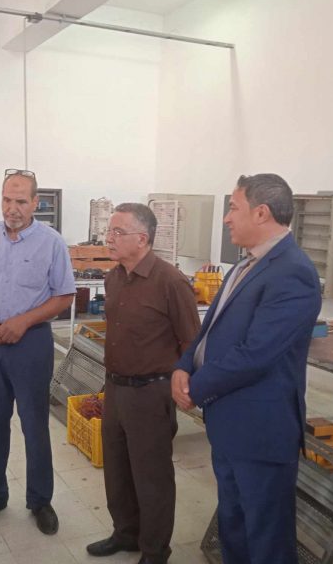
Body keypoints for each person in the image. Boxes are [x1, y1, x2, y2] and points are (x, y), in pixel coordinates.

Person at [172, 174, 322, 564]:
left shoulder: (293, 272)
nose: (226, 218)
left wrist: (194, 388)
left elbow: (256, 354)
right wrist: (184, 366)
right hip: (229, 424)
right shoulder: (246, 265)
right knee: (234, 526)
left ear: (261, 212)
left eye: (233, 208)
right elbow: (211, 327)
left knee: (266, 536)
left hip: (261, 431)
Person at [0, 169, 75, 535]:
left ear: (36, 203)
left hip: (31, 344)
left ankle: (40, 500)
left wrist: (24, 321)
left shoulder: (51, 242)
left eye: (21, 201)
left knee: (34, 423)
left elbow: (64, 295)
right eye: (7, 200)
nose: (12, 208)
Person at [86, 203, 200, 564]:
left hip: (152, 392)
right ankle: (125, 533)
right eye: (109, 230)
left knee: (152, 477)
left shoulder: (171, 282)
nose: (109, 238)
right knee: (117, 469)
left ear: (142, 238)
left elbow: (192, 343)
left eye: (118, 232)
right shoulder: (114, 278)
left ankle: (154, 551)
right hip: (115, 387)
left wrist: (185, 389)